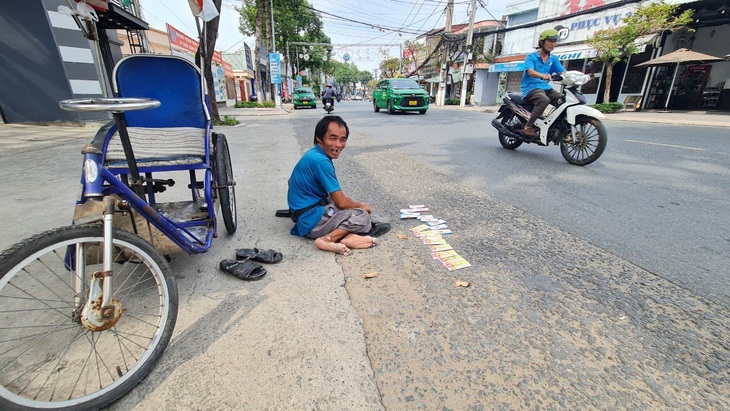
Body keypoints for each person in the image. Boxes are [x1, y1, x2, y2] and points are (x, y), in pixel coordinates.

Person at [287, 116, 390, 255]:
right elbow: (341, 202)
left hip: (302, 215)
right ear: (319, 138)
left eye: (343, 139)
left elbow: (289, 181)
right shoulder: (321, 161)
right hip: (310, 222)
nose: (338, 144)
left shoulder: (313, 154)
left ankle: (348, 237)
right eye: (332, 138)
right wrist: (361, 206)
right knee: (362, 215)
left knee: (345, 205)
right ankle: (327, 239)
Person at [521, 29, 566, 138]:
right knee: (544, 100)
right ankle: (528, 127)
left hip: (545, 88)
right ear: (542, 42)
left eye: (554, 41)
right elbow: (530, 71)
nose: (553, 44)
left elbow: (563, 72)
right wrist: (542, 75)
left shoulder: (553, 59)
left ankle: (554, 124)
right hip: (530, 88)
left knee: (563, 100)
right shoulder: (531, 57)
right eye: (550, 41)